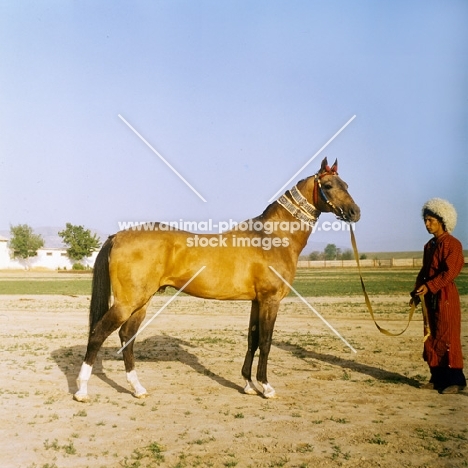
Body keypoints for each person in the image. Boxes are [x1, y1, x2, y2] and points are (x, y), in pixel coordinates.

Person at [411, 198, 466, 394]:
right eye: (425, 220)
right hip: (429, 297)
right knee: (431, 337)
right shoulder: (429, 245)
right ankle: (437, 379)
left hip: (445, 296)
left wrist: (430, 285)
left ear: (442, 220)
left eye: (430, 220)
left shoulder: (453, 245)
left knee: (447, 336)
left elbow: (450, 273)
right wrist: (417, 291)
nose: (427, 224)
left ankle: (456, 381)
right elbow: (424, 271)